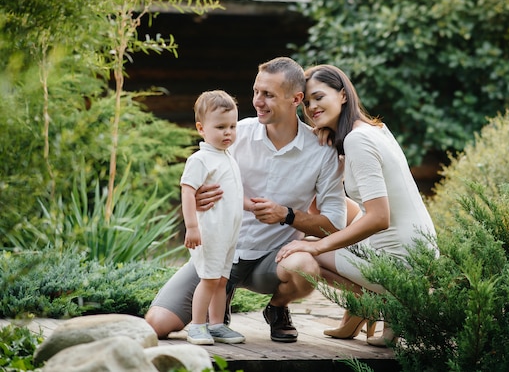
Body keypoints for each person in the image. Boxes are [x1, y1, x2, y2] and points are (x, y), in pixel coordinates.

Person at [145, 57, 348, 343]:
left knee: (305, 267)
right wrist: (200, 198)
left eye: (268, 95)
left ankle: (277, 309)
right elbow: (196, 179)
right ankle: (221, 299)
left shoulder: (321, 151)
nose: (257, 101)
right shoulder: (235, 134)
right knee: (157, 324)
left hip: (271, 259)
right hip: (220, 248)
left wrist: (286, 215)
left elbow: (335, 224)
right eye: (256, 92)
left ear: (296, 99)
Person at [275, 64, 439, 346]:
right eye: (308, 102)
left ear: (342, 95)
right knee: (333, 216)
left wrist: (316, 245)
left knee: (305, 253)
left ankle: (379, 307)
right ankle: (360, 314)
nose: (312, 107)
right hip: (421, 256)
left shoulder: (358, 140)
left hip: (400, 267)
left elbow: (379, 218)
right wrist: (332, 150)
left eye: (319, 97)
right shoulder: (375, 130)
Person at [179, 89, 246, 345]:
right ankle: (197, 325)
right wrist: (192, 226)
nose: (228, 132)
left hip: (228, 234)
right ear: (201, 128)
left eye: (232, 126)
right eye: (220, 127)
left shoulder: (227, 157)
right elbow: (187, 192)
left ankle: (217, 324)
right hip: (209, 232)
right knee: (208, 279)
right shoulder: (200, 159)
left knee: (221, 280)